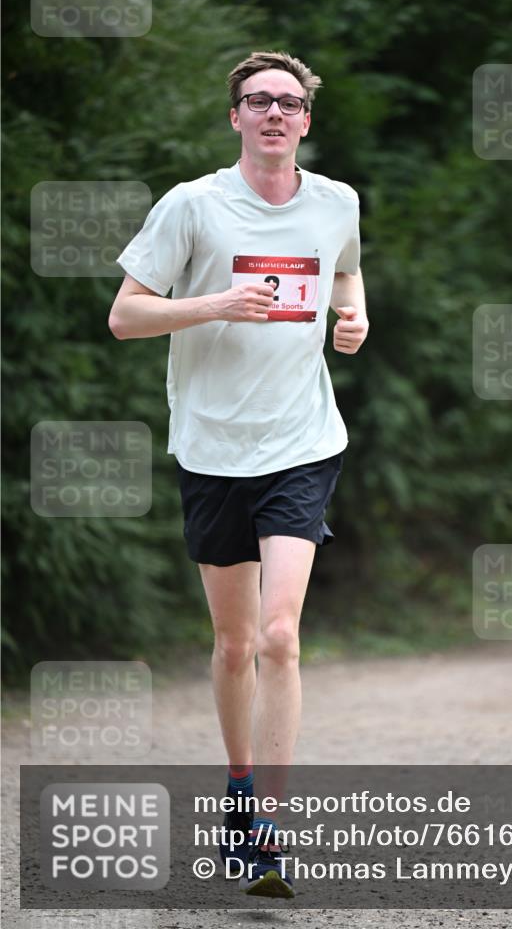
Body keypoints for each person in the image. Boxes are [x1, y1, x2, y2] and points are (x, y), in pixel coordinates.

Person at [108, 51, 368, 898]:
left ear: (304, 120)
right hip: (213, 447)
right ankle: (238, 783)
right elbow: (125, 315)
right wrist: (213, 302)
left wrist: (352, 311)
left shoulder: (336, 202)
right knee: (232, 644)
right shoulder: (192, 205)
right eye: (257, 101)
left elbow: (345, 266)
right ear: (235, 117)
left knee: (280, 635)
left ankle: (270, 828)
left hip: (301, 441)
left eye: (289, 103)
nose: (273, 114)